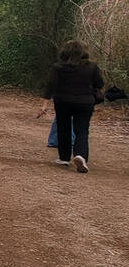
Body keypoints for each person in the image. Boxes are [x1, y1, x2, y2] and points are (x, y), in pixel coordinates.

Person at [37, 40, 105, 173]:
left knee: (64, 127)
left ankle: (64, 158)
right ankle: (81, 156)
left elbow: (51, 86)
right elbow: (99, 84)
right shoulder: (92, 67)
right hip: (85, 102)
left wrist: (44, 105)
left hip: (63, 101)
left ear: (65, 51)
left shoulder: (58, 67)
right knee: (82, 130)